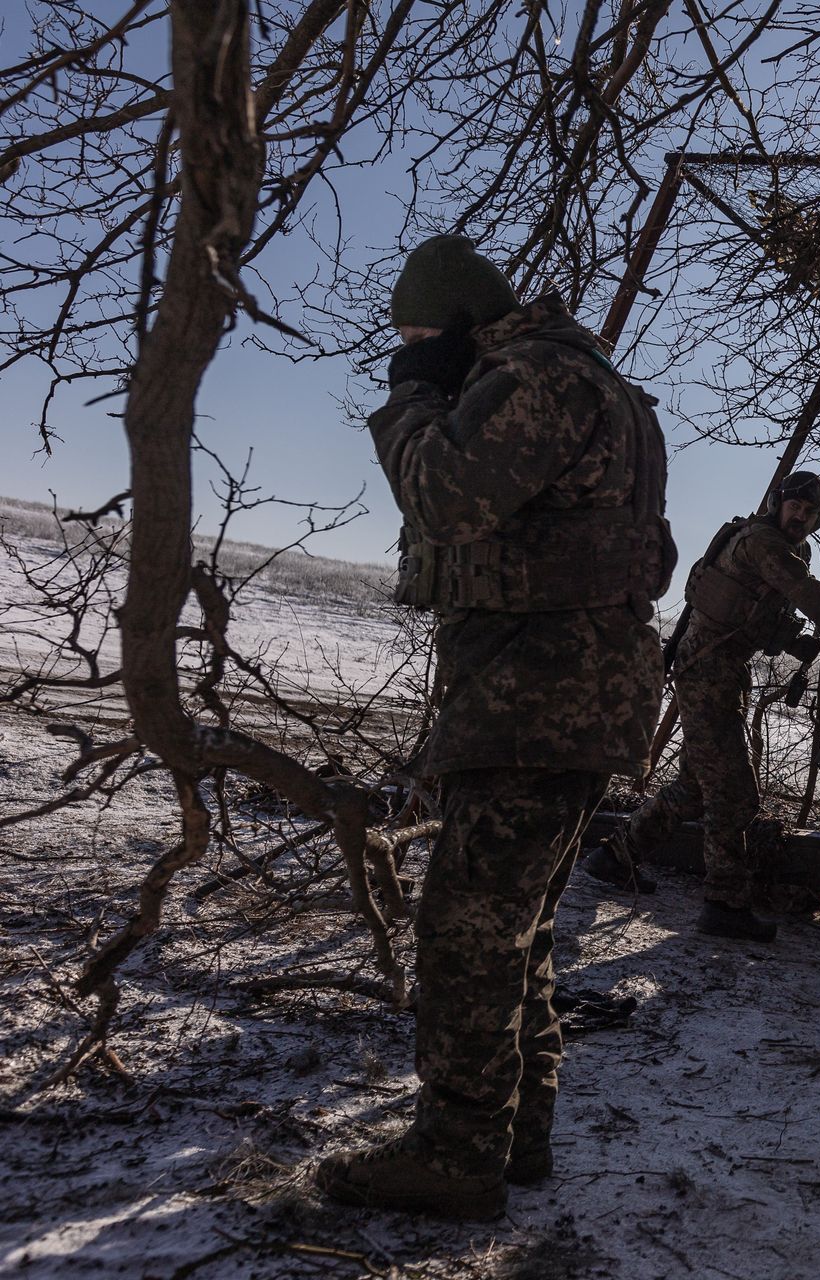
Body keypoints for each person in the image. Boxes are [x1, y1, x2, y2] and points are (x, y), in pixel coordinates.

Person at [314, 235, 672, 1219]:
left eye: (423, 334)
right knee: (520, 927)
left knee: (467, 930)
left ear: (462, 320)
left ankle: (457, 1152)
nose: (415, 349)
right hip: (573, 696)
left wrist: (410, 398)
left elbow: (445, 499)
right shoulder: (604, 386)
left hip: (535, 697)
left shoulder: (540, 377)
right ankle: (517, 1133)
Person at [583, 471, 820, 940]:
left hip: (719, 669)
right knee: (734, 791)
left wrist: (791, 643)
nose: (802, 517)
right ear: (777, 503)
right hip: (709, 671)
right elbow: (813, 598)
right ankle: (724, 903)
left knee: (698, 785)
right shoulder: (763, 543)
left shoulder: (779, 547)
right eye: (796, 506)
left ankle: (613, 857)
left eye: (812, 512)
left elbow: (752, 614)